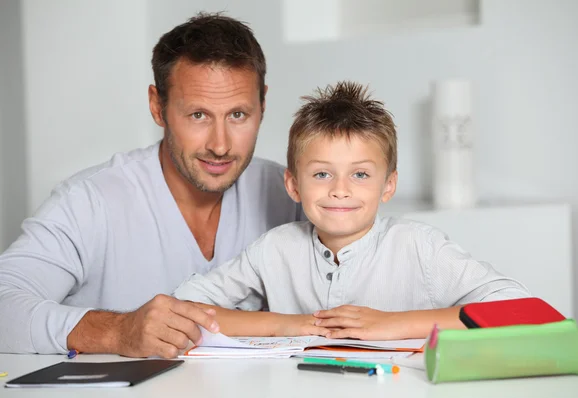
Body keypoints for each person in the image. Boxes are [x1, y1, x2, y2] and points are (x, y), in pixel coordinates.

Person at [0, 13, 304, 357]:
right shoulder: (90, 201)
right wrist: (116, 332)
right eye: (198, 115)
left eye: (237, 115)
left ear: (262, 104)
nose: (220, 145)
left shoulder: (291, 195)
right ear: (157, 107)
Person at [173, 81, 531, 341]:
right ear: (294, 185)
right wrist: (289, 324)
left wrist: (393, 323)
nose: (340, 189)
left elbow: (522, 310)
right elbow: (182, 308)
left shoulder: (419, 247)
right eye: (322, 174)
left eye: (360, 174)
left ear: (388, 185)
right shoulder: (273, 250)